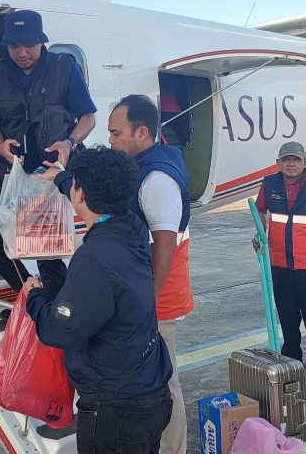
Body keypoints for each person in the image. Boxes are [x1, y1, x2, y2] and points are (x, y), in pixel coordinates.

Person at [23, 146, 172, 454]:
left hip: (115, 408)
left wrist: (34, 297)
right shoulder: (132, 226)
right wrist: (62, 178)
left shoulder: (93, 258)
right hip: (151, 391)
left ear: (81, 194)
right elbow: (85, 192)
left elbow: (60, 330)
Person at [0, 9, 96, 298]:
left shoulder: (64, 67)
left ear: (41, 42)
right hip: (15, 170)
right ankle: (30, 292)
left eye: (29, 45)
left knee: (49, 249)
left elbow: (88, 117)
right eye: (15, 46)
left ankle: (63, 307)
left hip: (56, 172)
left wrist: (69, 143)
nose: (22, 52)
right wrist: (0, 146)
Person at [108, 94, 193, 454]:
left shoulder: (156, 178)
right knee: (154, 381)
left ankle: (173, 450)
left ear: (142, 132)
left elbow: (164, 243)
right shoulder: (148, 163)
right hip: (151, 296)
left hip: (159, 299)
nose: (110, 140)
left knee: (164, 384)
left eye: (116, 133)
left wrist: (149, 300)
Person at [254, 141, 306, 361]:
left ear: (304, 161)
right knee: (287, 319)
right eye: (286, 159)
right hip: (280, 266)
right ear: (278, 162)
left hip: (305, 267)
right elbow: (259, 210)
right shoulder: (269, 184)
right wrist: (260, 235)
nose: (291, 164)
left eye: (296, 159)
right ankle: (292, 365)